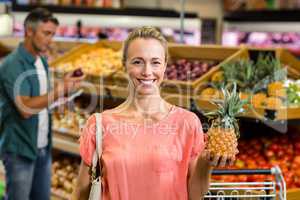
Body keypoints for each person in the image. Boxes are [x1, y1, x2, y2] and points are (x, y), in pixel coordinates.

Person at [73, 26, 234, 200]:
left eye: (155, 62)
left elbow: (195, 195)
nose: (147, 71)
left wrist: (205, 163)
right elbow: (81, 192)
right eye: (137, 62)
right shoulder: (99, 124)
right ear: (124, 65)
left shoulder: (187, 123)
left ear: (165, 66)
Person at [0, 8, 84, 200]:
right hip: (20, 150)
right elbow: (26, 108)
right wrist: (59, 90)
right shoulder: (12, 65)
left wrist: (65, 87)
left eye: (53, 34)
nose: (50, 39)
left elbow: (42, 98)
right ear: (29, 31)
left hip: (43, 147)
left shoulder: (41, 61)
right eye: (46, 33)